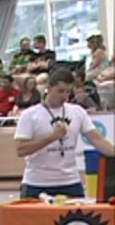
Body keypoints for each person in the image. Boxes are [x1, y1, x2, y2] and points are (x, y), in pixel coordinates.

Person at [14, 69, 115, 198]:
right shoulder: (29, 115)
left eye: (68, 91)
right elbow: (21, 150)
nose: (65, 96)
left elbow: (97, 140)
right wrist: (52, 137)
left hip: (70, 181)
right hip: (37, 183)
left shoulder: (77, 112)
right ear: (48, 88)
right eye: (60, 91)